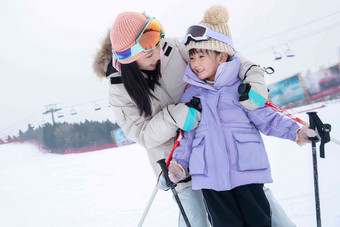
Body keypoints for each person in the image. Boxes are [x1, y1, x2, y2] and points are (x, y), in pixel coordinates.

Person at [93, 9, 296, 227]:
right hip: (176, 165)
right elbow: (142, 134)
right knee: (196, 219)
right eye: (149, 55)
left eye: (157, 47)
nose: (158, 55)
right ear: (130, 60)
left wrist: (253, 74)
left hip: (215, 151)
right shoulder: (119, 90)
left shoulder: (173, 47)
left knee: (263, 209)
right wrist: (174, 117)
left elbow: (224, 52)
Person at [167, 5, 317, 227]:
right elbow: (186, 136)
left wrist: (296, 130)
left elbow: (268, 118)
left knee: (260, 222)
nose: (196, 63)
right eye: (192, 56)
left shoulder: (240, 90)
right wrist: (178, 164)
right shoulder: (191, 95)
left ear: (222, 56)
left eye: (202, 55)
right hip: (210, 181)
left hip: (246, 174)